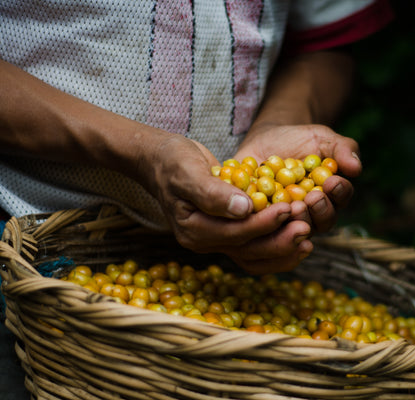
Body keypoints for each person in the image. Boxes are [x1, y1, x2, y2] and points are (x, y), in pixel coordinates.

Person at [0, 1, 393, 275]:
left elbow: (325, 44)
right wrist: (142, 152)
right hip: (26, 234)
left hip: (226, 254)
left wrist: (279, 122)